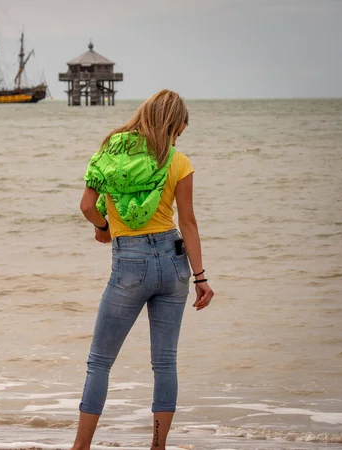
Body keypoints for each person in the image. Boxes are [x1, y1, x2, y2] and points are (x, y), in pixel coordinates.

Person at [72, 89, 214, 450]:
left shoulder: (112, 152)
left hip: (130, 263)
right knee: (165, 363)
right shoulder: (179, 161)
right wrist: (201, 277)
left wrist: (104, 227)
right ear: (171, 124)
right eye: (178, 130)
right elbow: (190, 223)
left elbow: (87, 206)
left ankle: (81, 447)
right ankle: (158, 446)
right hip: (174, 263)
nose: (178, 137)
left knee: (100, 362)